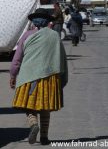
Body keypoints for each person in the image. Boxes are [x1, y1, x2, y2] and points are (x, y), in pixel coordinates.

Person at [10, 8, 68, 145]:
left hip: (29, 77)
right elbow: (62, 58)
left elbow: (17, 59)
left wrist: (13, 75)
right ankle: (44, 137)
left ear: (34, 22)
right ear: (48, 21)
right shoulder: (54, 36)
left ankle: (33, 124)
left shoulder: (27, 36)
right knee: (45, 107)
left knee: (28, 106)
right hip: (50, 78)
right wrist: (62, 77)